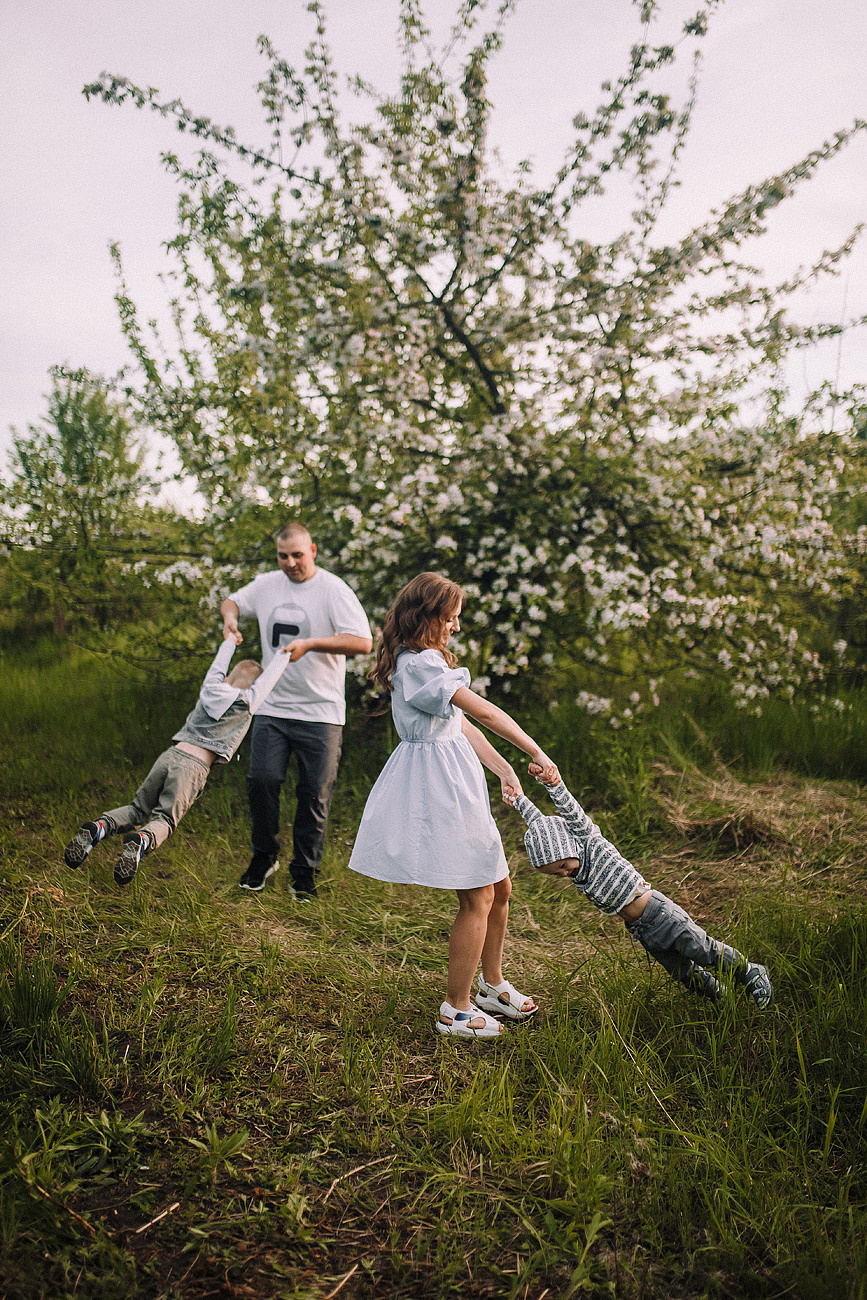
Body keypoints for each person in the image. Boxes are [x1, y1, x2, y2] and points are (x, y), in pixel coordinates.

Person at [347, 572, 555, 1040]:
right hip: (438, 790)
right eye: (450, 618)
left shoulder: (429, 664)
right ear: (426, 618)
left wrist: (503, 768)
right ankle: (455, 1009)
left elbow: (461, 726)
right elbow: (481, 710)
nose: (456, 628)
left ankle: (491, 985)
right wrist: (534, 750)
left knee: (499, 889)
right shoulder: (417, 666)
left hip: (458, 783)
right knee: (478, 895)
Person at [505, 762, 773, 1008]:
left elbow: (570, 811)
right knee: (682, 972)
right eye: (556, 874)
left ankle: (750, 972)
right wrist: (518, 800)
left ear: (569, 845)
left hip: (660, 915)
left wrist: (553, 785)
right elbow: (540, 825)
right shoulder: (574, 867)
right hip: (641, 929)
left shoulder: (589, 841)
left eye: (563, 866)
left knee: (704, 951)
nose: (564, 875)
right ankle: (719, 996)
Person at [220, 522, 372, 898]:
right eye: (283, 556)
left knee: (313, 794)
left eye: (297, 555)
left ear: (313, 551)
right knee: (262, 781)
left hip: (320, 712)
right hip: (271, 704)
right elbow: (232, 601)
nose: (290, 563)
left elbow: (363, 642)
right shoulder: (268, 584)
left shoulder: (333, 589)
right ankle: (264, 856)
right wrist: (230, 621)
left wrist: (312, 644)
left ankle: (304, 871)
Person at [63, 638, 292, 887]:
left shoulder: (210, 687)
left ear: (227, 679)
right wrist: (286, 653)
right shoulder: (247, 701)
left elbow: (218, 664)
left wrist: (228, 641)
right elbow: (270, 678)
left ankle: (100, 826)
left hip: (170, 755)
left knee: (137, 809)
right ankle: (142, 840)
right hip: (193, 768)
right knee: (164, 820)